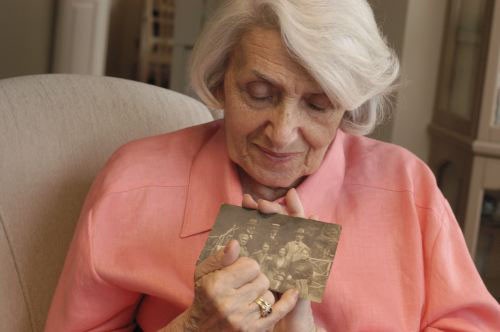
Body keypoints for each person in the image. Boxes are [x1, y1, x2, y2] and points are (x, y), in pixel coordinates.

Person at [45, 0, 500, 331]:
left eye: (319, 104)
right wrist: (191, 329)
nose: (282, 132)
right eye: (259, 94)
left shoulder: (407, 187)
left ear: (348, 107)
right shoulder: (135, 181)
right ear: (221, 80)